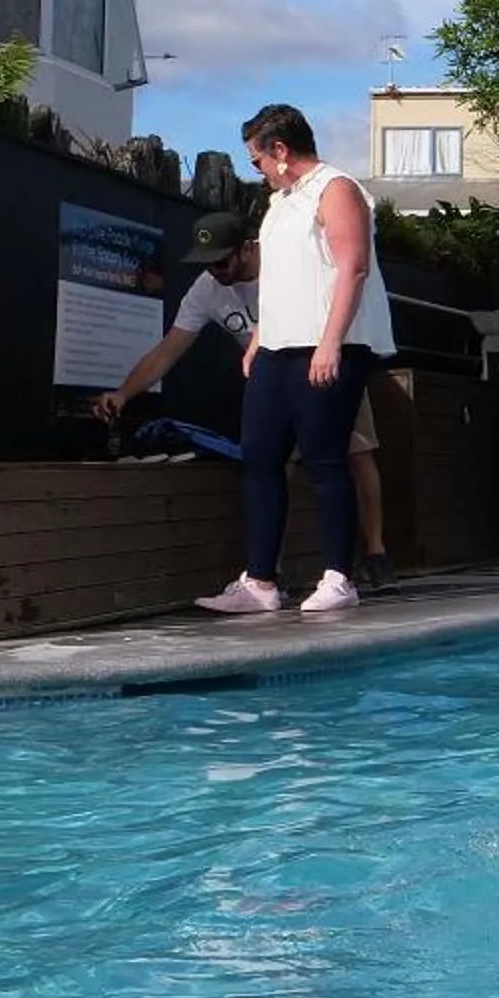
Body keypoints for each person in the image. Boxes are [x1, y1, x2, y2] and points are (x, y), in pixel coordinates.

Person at [93, 206, 393, 591]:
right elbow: (169, 350)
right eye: (208, 264)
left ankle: (375, 551)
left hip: (321, 360)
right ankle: (270, 572)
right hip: (273, 377)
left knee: (356, 452)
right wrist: (123, 393)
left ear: (248, 249)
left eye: (221, 261)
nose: (216, 272)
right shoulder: (206, 289)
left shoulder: (282, 267)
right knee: (270, 461)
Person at [196, 104, 397, 616]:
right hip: (279, 347)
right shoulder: (280, 203)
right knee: (261, 456)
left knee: (325, 457)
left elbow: (352, 269)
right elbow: (283, 277)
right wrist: (261, 335)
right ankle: (261, 581)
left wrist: (331, 341)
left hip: (331, 345)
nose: (256, 170)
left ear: (280, 151)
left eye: (257, 159)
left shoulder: (338, 189)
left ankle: (339, 577)